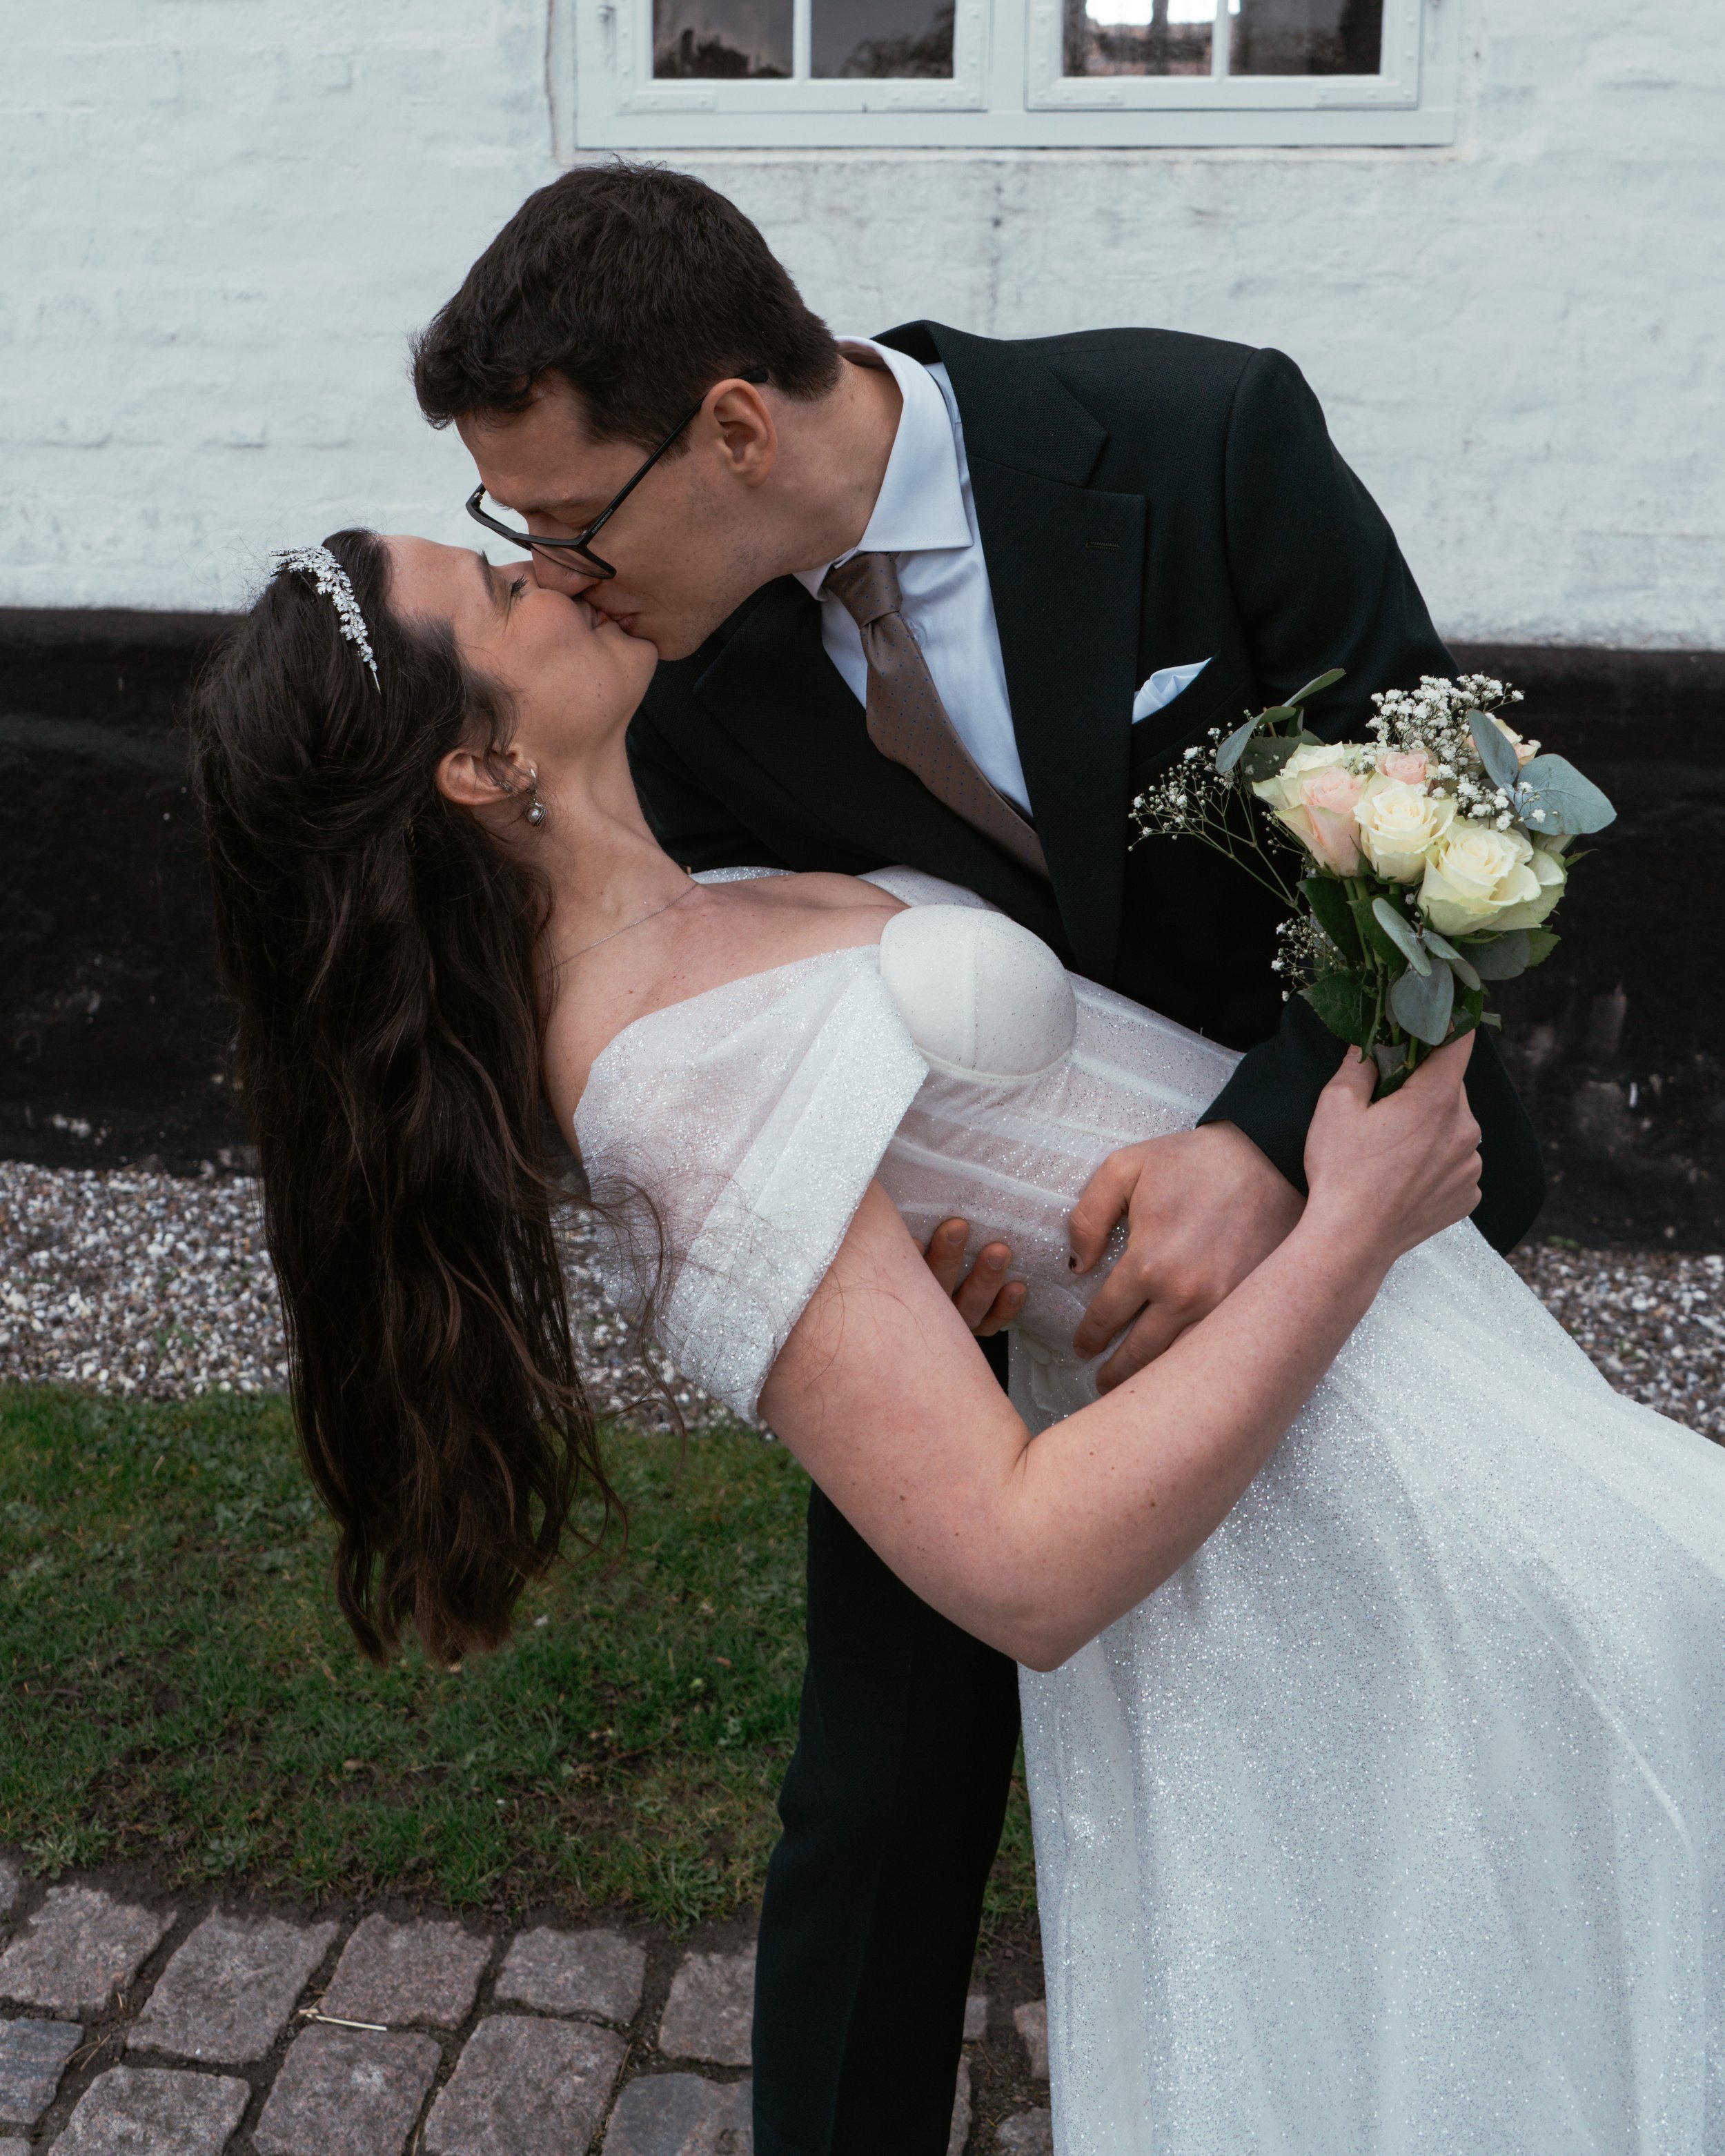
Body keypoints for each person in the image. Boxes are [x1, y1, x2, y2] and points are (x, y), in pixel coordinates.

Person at [193, 533, 1725, 2155]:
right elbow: (1019, 1569)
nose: (557, 569)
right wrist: (1349, 1217)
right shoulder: (663, 1093)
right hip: (1349, 1507)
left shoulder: (694, 899)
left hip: (1424, 1413)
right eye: (503, 592)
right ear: (484, 762)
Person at [403, 166, 1550, 2153]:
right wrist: (873, 1255)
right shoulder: (687, 689)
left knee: (1403, 1741)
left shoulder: (1202, 439)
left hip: (1366, 1221)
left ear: (734, 429)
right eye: (518, 542)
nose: (562, 580)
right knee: (876, 1796)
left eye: (565, 522)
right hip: (989, 1304)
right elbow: (780, 1017)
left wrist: (1265, 1145)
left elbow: (1474, 834)